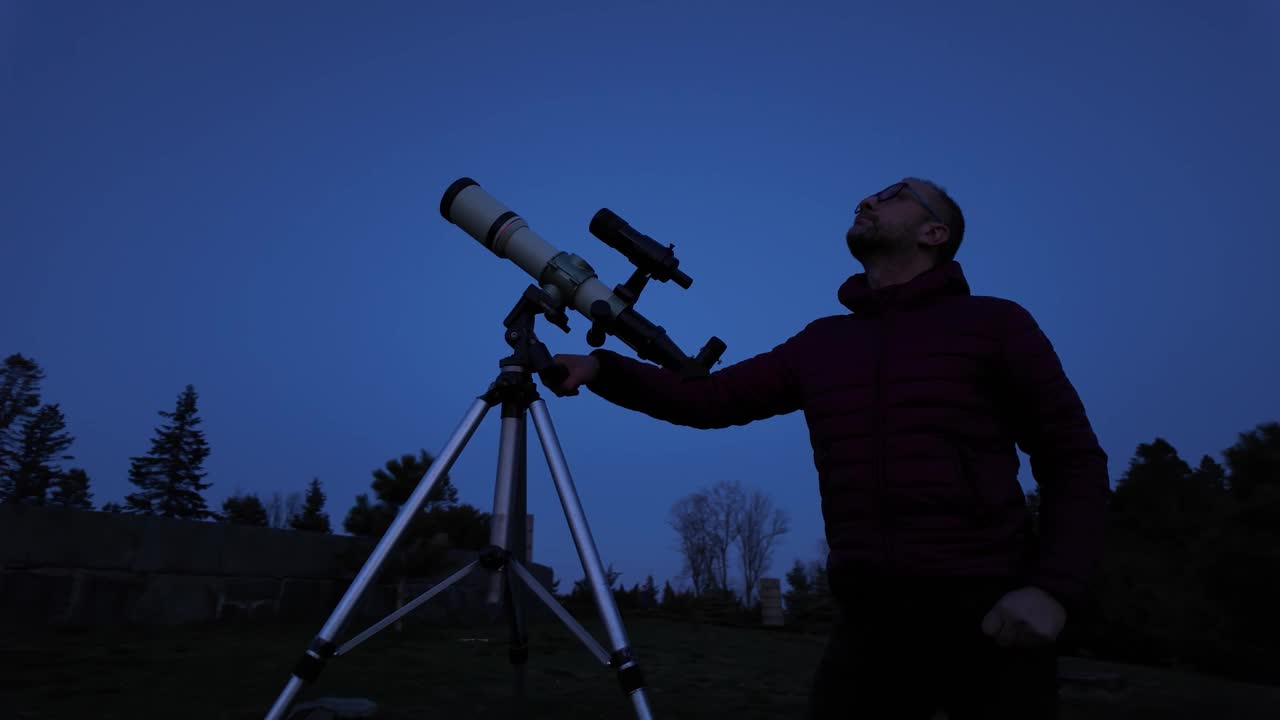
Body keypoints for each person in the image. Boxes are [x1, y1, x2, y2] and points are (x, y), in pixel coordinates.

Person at [547, 178, 1109, 719]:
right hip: (871, 623)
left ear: (934, 234)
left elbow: (1071, 458)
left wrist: (1052, 590)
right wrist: (603, 369)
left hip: (992, 612)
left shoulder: (996, 325)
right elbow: (711, 400)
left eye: (894, 196)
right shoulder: (824, 343)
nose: (868, 199)